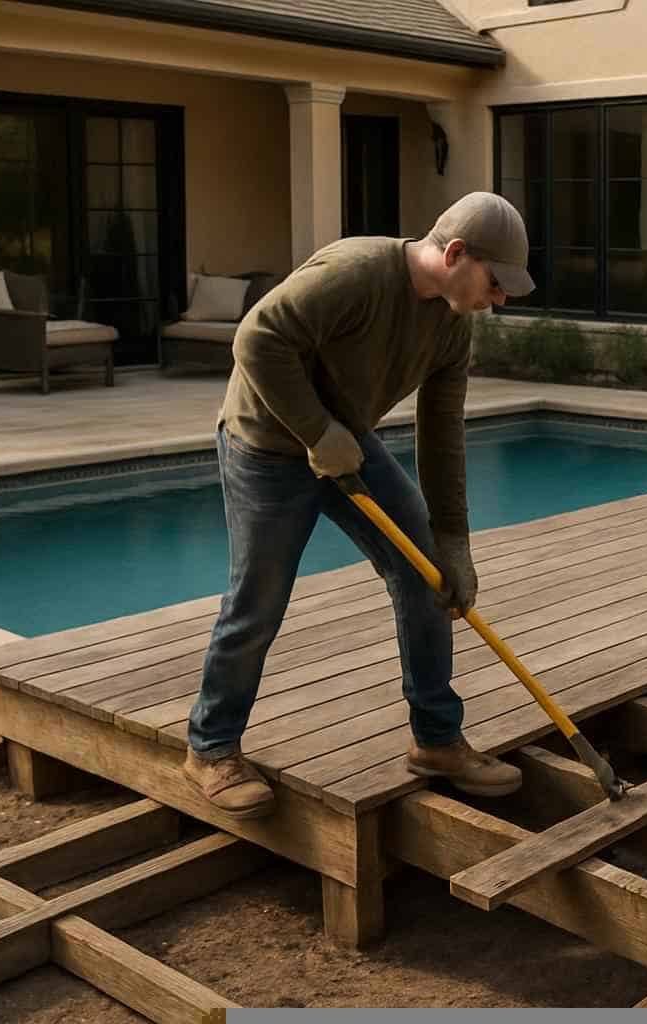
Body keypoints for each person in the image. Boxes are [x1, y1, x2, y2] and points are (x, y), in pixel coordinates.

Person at [181, 192, 534, 820]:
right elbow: (257, 340)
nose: (499, 298)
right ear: (454, 254)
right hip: (266, 444)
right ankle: (210, 748)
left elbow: (442, 432)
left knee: (428, 575)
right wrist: (317, 433)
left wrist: (453, 541)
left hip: (347, 439)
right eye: (495, 282)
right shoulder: (355, 274)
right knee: (258, 599)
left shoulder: (453, 323)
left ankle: (437, 739)